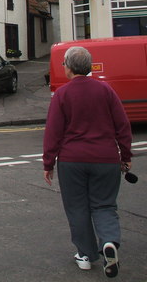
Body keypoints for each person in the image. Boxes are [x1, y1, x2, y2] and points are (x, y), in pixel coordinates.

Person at [43, 46, 132, 278]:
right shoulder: (106, 90)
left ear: (69, 67)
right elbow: (123, 127)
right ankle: (109, 242)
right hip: (106, 158)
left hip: (72, 160)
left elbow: (53, 132)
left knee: (77, 208)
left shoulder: (63, 94)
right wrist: (126, 156)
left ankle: (85, 254)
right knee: (104, 205)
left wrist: (48, 163)